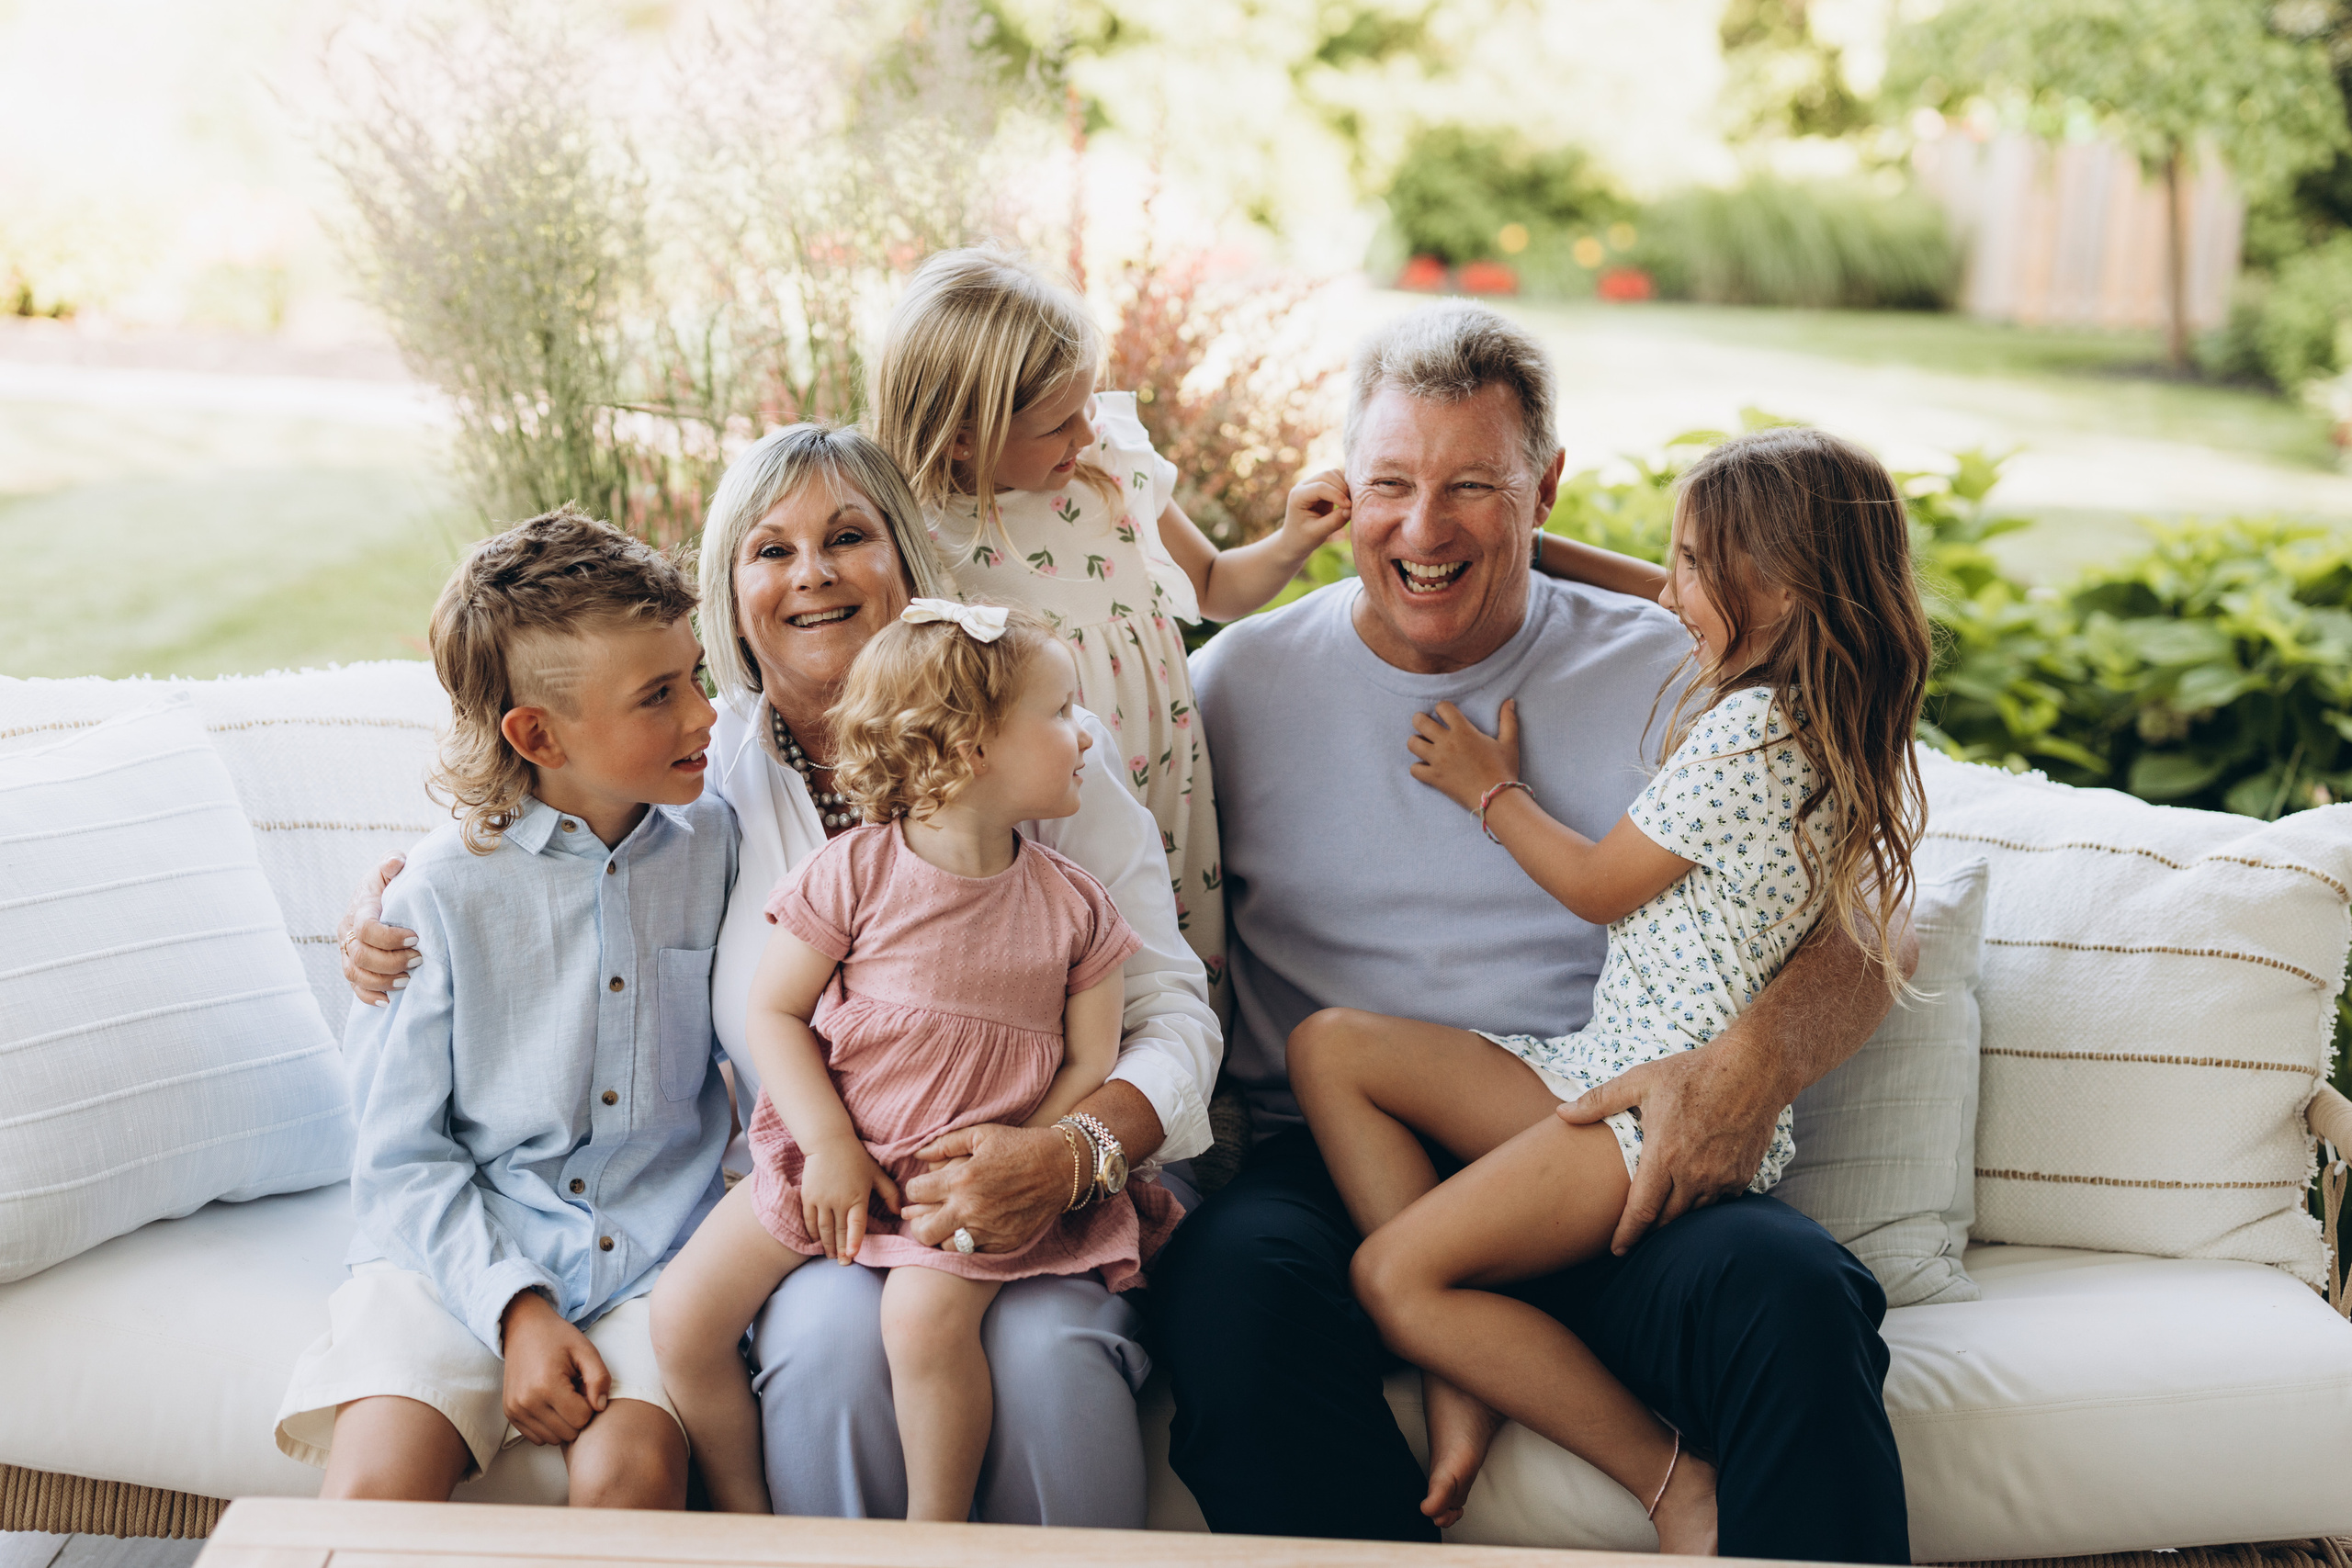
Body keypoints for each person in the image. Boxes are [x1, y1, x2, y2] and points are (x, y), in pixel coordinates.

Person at [340, 423, 1218, 1525]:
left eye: (848, 536)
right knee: (820, 1344)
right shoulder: (704, 785)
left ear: (907, 561)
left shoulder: (1042, 747)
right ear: (732, 592)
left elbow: (1167, 1011)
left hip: (1039, 1180)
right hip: (827, 1197)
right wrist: (383, 909)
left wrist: (1068, 1152)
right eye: (771, 550)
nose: (812, 574)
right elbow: (557, 852)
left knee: (1047, 1357)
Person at [1156, 299, 1917, 1562]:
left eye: (1473, 485)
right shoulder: (1231, 686)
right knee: (1233, 1300)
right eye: (1388, 482)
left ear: (1545, 487)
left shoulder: (1690, 668)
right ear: (1344, 486)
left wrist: (1754, 1065)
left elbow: (1877, 910)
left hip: (1615, 1125)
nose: (1423, 525)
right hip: (1342, 1154)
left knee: (1794, 1297)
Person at [652, 601, 1178, 1518]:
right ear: (973, 747)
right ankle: (747, 1522)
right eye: (1060, 713)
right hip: (837, 1161)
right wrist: (826, 1144)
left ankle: (930, 1539)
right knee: (685, 1319)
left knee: (921, 1325)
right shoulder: (853, 871)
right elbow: (774, 1011)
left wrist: (1017, 1162)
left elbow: (1092, 1059)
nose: (1083, 735)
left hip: (960, 1185)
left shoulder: (1076, 907)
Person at [278, 508, 734, 1507]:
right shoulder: (435, 898)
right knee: (378, 1490)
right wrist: (516, 1309)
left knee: (634, 1480)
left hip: (652, 1256)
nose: (705, 715)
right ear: (536, 734)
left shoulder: (717, 844)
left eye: (693, 675)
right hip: (459, 1242)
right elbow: (398, 1155)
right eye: (660, 695)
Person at [869, 244, 1355, 987]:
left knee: (1176, 961)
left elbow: (1217, 585)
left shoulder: (1111, 473)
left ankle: (1190, 1090)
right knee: (1081, 965)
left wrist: (1292, 538)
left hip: (1166, 780)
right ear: (966, 435)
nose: (1088, 433)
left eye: (1090, 404)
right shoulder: (924, 543)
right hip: (1050, 806)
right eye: (1059, 423)